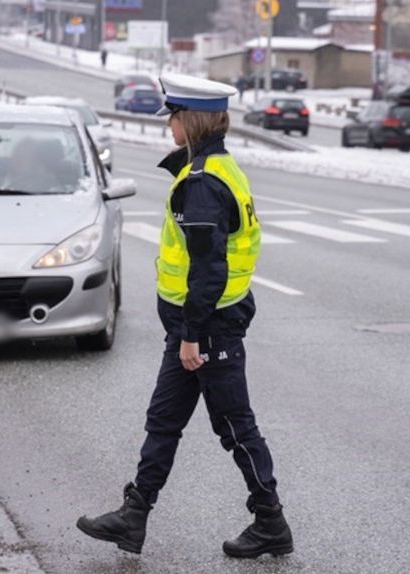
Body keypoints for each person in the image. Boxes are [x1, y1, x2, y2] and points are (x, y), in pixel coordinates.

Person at [75, 74, 293, 559]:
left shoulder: (202, 185)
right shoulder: (214, 169)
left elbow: (209, 269)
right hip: (198, 325)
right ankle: (134, 516)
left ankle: (271, 521)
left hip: (207, 327)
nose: (168, 125)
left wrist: (191, 335)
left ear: (188, 119)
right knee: (164, 420)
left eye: (172, 116)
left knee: (235, 427)